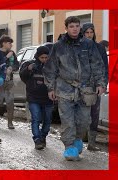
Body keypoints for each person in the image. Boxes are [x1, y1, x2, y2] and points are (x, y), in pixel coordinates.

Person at [43, 16, 106, 161]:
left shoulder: (88, 45)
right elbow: (50, 68)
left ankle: (77, 138)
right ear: (66, 28)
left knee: (84, 120)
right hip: (65, 89)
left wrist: (101, 83)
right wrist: (50, 88)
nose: (75, 29)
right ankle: (69, 146)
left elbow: (98, 64)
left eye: (77, 26)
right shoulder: (58, 46)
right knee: (67, 121)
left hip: (85, 90)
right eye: (72, 26)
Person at [81, 22, 109, 151]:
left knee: (94, 113)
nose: (89, 35)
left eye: (91, 32)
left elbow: (105, 68)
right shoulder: (78, 47)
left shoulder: (99, 48)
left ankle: (92, 143)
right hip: (81, 86)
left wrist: (103, 84)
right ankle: (78, 141)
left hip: (95, 86)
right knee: (81, 114)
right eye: (86, 32)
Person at [20, 46, 53, 150]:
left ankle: (43, 136)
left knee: (47, 121)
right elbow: (22, 76)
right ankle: (37, 139)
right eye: (42, 57)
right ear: (38, 56)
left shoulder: (52, 66)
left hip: (48, 99)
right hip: (33, 98)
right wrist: (28, 69)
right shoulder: (29, 64)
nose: (44, 59)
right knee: (36, 119)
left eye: (46, 57)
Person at [0, 35, 19, 129]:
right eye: (9, 43)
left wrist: (12, 68)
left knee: (10, 102)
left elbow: (17, 64)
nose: (11, 45)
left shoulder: (12, 53)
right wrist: (6, 57)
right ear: (3, 43)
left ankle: (10, 122)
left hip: (9, 82)